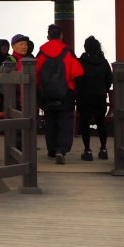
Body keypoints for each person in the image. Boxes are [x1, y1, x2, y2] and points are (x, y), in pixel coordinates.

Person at [35, 24, 84, 164]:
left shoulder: (41, 53)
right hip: (66, 93)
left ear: (48, 36)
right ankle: (61, 150)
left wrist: (40, 87)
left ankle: (51, 150)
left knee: (50, 121)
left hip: (47, 93)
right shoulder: (67, 52)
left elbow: (34, 73)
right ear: (61, 36)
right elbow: (78, 72)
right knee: (65, 122)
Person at [74, 36, 112, 161]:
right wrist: (103, 90)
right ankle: (103, 149)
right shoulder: (104, 62)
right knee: (101, 123)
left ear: (85, 47)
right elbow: (109, 79)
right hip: (100, 96)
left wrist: (79, 91)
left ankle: (87, 151)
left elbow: (76, 78)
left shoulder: (81, 61)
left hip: (84, 97)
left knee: (84, 123)